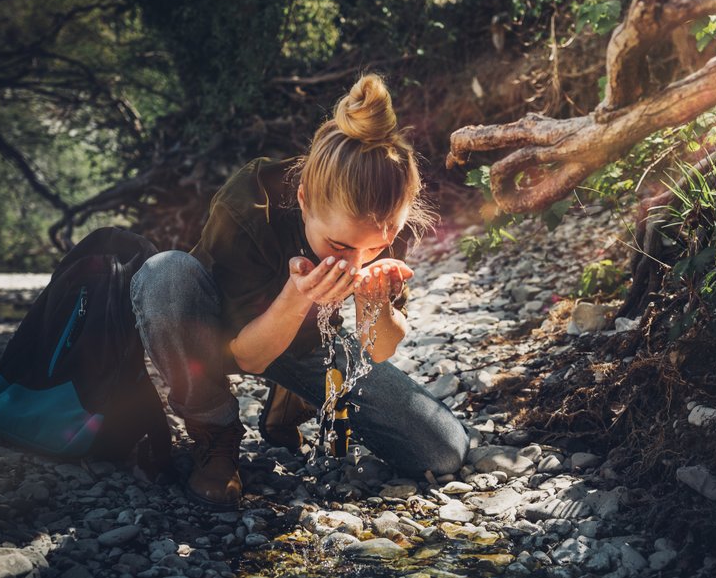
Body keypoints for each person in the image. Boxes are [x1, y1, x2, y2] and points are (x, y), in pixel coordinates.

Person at [130, 74, 470, 509]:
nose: (356, 262)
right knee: (165, 273)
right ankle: (214, 435)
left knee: (442, 450)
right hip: (215, 331)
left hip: (306, 342)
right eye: (341, 246)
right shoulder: (252, 199)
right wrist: (298, 297)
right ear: (305, 200)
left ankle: (290, 400)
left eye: (376, 247)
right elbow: (246, 356)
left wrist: (375, 305)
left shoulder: (382, 215)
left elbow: (378, 349)